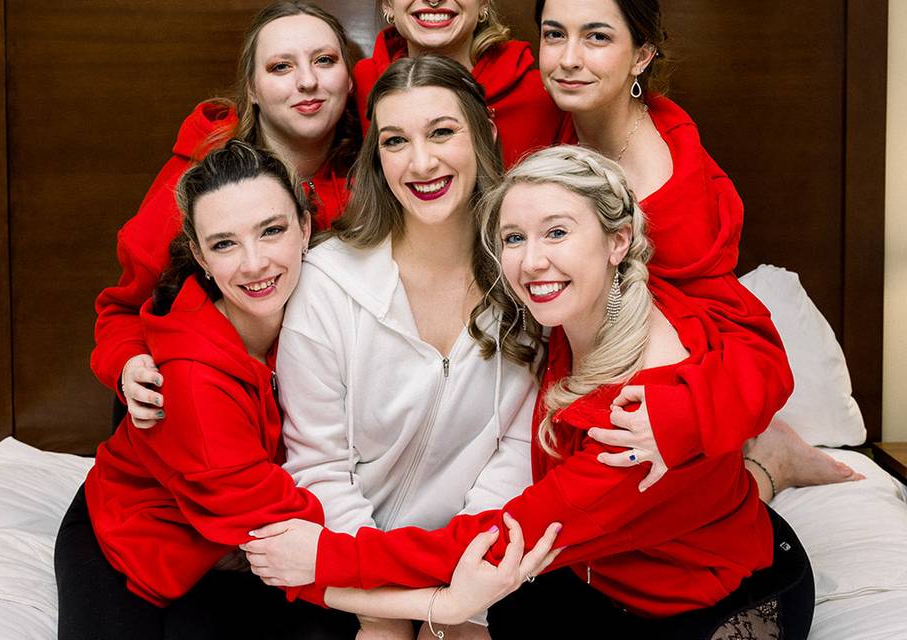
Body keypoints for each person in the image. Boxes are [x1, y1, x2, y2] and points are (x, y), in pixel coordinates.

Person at [241, 145, 816, 640]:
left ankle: (769, 467)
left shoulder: (632, 421)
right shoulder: (564, 315)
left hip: (709, 606)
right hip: (595, 570)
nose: (532, 261)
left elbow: (501, 541)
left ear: (618, 241)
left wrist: (323, 557)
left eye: (558, 232)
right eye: (513, 237)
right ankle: (764, 468)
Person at [535, 0, 861, 491]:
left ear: (642, 55)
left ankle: (769, 464)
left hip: (661, 374)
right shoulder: (556, 119)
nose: (568, 58)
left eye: (597, 37)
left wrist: (681, 420)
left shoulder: (667, 196)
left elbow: (754, 351)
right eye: (554, 35)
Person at [273, 54, 540, 639]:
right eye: (395, 141)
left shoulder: (530, 281)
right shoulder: (325, 282)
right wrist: (384, 609)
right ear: (378, 157)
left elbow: (515, 465)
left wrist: (462, 603)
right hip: (345, 572)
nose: (421, 162)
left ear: (485, 133)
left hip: (471, 567)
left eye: (442, 132)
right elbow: (317, 468)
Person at [56, 140, 348, 639]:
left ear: (305, 227)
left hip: (230, 541)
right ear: (199, 256)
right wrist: (424, 598)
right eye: (224, 243)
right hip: (138, 539)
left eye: (271, 231)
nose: (254, 263)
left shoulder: (332, 311)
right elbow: (286, 527)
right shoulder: (189, 380)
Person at [92, 2, 358, 430]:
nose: (307, 81)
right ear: (251, 88)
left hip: (313, 427)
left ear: (350, 78)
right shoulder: (201, 181)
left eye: (324, 61)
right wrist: (128, 365)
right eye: (280, 67)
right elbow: (122, 309)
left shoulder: (381, 174)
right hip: (197, 418)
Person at [356, 1, 563, 167]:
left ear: (483, 3)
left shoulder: (542, 96)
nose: (433, 1)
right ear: (388, 5)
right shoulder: (365, 82)